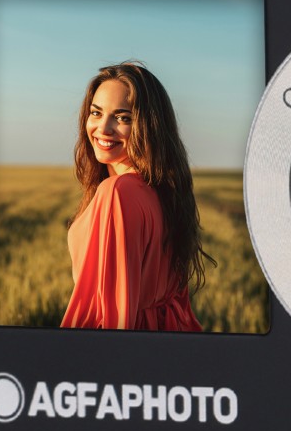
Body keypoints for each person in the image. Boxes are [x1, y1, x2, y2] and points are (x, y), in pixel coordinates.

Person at [61, 62, 211, 331]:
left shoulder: (119, 193)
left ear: (148, 126)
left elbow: (115, 318)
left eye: (122, 118)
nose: (103, 128)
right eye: (96, 113)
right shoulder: (163, 191)